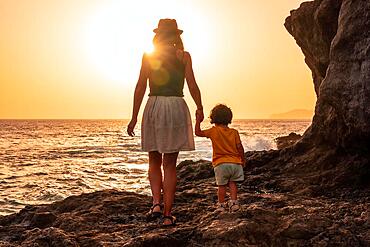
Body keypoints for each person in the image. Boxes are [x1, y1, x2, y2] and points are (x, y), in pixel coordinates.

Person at [127, 19, 203, 226]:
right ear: (176, 36)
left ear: (158, 35)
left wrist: (134, 116)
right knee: (170, 165)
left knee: (154, 160)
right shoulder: (184, 56)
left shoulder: (149, 56)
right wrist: (200, 107)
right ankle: (168, 216)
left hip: (155, 105)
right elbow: (193, 86)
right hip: (177, 105)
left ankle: (156, 203)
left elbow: (140, 87)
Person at [195, 104, 245, 212]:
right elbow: (240, 147)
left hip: (220, 163)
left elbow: (198, 133)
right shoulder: (234, 132)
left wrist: (198, 120)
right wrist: (243, 160)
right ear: (229, 118)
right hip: (235, 163)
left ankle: (222, 205)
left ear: (213, 118)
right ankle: (234, 203)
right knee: (233, 183)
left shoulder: (214, 131)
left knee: (221, 186)